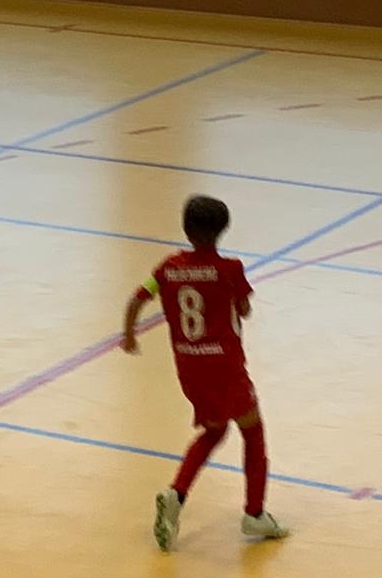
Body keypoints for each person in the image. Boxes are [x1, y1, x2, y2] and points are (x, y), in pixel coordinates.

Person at [121, 195, 286, 551]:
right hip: (225, 367)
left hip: (189, 367)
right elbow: (244, 309)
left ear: (186, 229)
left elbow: (138, 298)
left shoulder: (167, 269)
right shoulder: (230, 269)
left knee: (215, 430)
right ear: (222, 230)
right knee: (252, 431)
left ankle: (176, 494)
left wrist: (129, 335)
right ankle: (255, 512)